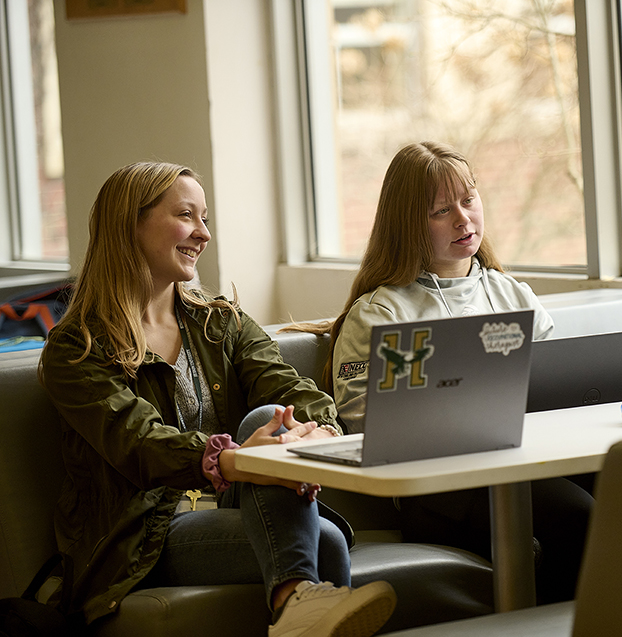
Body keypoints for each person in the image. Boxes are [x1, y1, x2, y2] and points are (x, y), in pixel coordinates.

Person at [39, 162, 396, 637]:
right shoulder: (77, 348)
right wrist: (237, 462)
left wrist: (320, 431)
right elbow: (138, 442)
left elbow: (290, 389)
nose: (203, 234)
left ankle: (297, 608)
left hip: (232, 507)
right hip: (143, 536)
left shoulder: (219, 322)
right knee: (326, 541)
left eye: (205, 218)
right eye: (186, 215)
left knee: (272, 416)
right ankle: (296, 603)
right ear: (130, 223)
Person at [291, 141, 591, 605]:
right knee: (578, 517)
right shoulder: (382, 311)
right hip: (439, 492)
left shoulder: (512, 293)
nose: (462, 220)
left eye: (468, 201)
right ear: (407, 223)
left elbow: (555, 384)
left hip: (521, 463)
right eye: (440, 211)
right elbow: (366, 422)